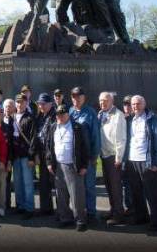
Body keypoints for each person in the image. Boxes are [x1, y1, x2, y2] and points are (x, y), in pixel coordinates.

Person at [124, 95, 157, 231]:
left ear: (144, 104)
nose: (135, 106)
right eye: (133, 104)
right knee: (136, 192)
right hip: (132, 160)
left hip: (147, 162)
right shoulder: (130, 119)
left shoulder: (152, 119)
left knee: (152, 193)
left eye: (138, 104)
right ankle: (142, 217)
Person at [46, 105, 89, 231]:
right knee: (61, 194)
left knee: (77, 195)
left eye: (62, 114)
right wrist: (49, 162)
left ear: (68, 115)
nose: (60, 116)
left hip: (73, 165)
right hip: (58, 165)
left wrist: (84, 165)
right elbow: (49, 146)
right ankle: (65, 218)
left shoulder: (77, 127)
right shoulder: (53, 127)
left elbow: (85, 147)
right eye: (58, 114)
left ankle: (80, 220)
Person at [69, 86, 101, 222]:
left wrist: (94, 156)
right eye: (73, 96)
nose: (76, 98)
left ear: (84, 97)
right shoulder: (69, 111)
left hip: (87, 156)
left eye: (78, 96)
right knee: (75, 186)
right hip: (73, 157)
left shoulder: (90, 112)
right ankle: (78, 212)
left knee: (89, 186)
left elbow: (95, 136)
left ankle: (92, 213)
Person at [98, 92, 127, 226]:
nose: (102, 103)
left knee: (116, 187)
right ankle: (112, 209)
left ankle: (119, 214)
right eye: (101, 101)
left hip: (113, 157)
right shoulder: (100, 114)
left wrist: (118, 158)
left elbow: (121, 138)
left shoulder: (118, 115)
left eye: (105, 101)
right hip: (104, 155)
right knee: (109, 186)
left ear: (112, 101)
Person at [11, 93, 36, 218]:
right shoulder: (12, 117)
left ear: (26, 103)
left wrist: (31, 157)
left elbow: (33, 140)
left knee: (27, 183)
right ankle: (20, 206)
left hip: (26, 156)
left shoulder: (30, 118)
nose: (19, 104)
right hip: (15, 156)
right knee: (18, 183)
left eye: (22, 102)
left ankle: (29, 208)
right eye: (18, 102)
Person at [34, 93, 56, 216]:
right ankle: (46, 208)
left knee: (56, 184)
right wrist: (36, 153)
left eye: (43, 104)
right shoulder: (40, 116)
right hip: (42, 153)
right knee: (43, 183)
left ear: (50, 104)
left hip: (52, 154)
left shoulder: (54, 116)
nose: (41, 106)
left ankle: (62, 211)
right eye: (39, 104)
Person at [121, 95, 133, 215]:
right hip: (123, 157)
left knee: (133, 185)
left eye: (129, 104)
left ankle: (134, 208)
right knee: (125, 185)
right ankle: (128, 207)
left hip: (134, 158)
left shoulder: (137, 119)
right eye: (125, 104)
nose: (127, 106)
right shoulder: (122, 119)